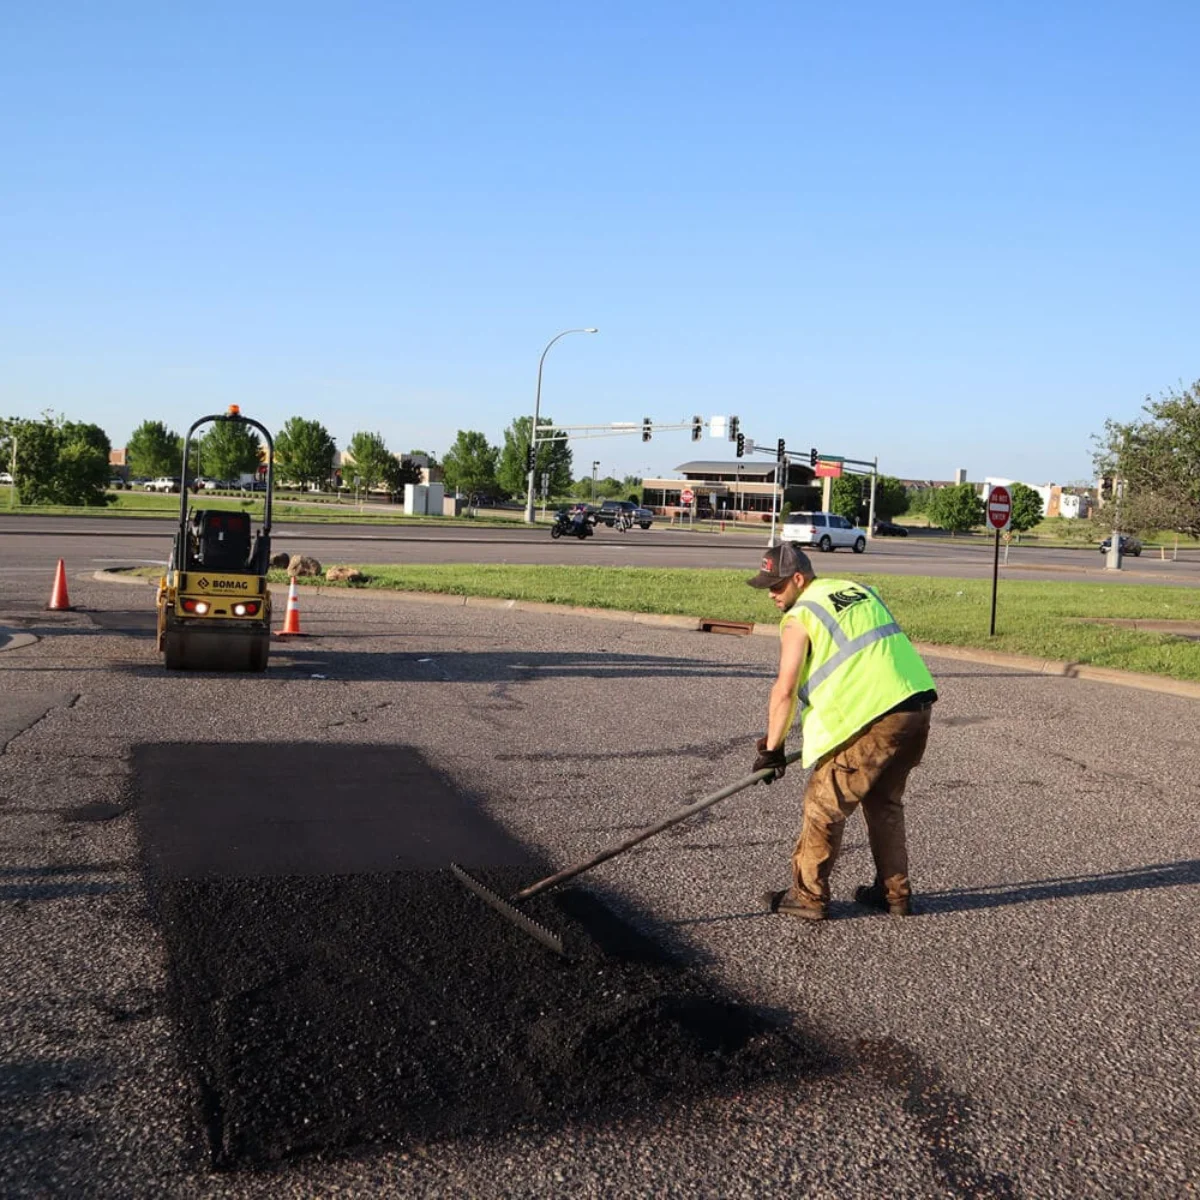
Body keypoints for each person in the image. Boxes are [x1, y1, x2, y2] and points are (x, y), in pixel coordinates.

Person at [747, 541, 936, 921]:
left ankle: (808, 896)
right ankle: (894, 894)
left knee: (823, 805)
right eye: (767, 585)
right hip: (915, 706)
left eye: (777, 585)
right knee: (884, 802)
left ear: (798, 579)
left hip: (873, 717)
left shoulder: (801, 616)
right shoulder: (860, 590)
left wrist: (772, 748)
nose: (771, 593)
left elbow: (784, 690)